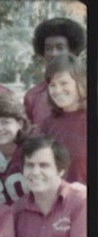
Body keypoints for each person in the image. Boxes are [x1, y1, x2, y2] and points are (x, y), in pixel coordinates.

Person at [23, 17, 86, 127]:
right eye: (48, 48)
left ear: (72, 50)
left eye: (60, 47)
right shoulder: (33, 96)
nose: (53, 53)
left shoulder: (86, 89)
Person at [40, 53, 86, 184]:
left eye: (63, 83)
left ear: (80, 83)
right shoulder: (48, 123)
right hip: (58, 201)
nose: (57, 90)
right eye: (52, 85)